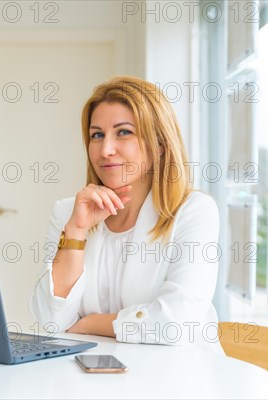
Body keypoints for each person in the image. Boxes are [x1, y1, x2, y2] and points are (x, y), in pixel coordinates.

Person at [29, 76, 221, 350]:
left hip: (174, 379)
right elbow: (50, 320)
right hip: (89, 377)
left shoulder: (193, 211)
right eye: (97, 135)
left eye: (123, 132)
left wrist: (89, 324)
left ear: (160, 145)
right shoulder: (67, 213)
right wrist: (76, 232)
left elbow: (177, 323)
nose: (105, 150)